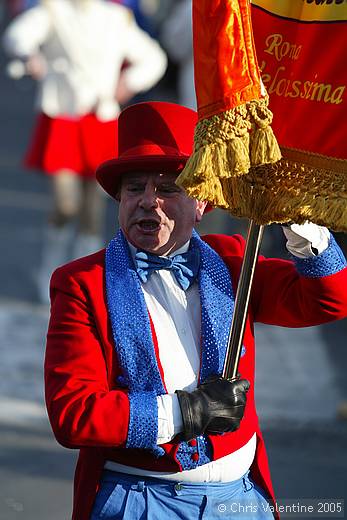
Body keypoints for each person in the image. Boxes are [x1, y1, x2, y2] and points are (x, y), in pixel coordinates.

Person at [44, 101, 347, 520]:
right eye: (135, 188)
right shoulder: (82, 282)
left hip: (242, 499)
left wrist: (299, 221)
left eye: (168, 188)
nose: (149, 202)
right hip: (140, 500)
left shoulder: (232, 260)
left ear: (202, 203)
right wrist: (185, 412)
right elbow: (74, 414)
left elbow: (327, 300)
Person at [2, 0, 167, 303]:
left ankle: (81, 278)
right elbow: (16, 37)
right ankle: (51, 268)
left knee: (93, 210)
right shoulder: (53, 10)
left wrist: (128, 81)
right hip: (63, 116)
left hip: (100, 118)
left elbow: (153, 58)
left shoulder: (117, 18)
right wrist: (32, 56)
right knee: (66, 204)